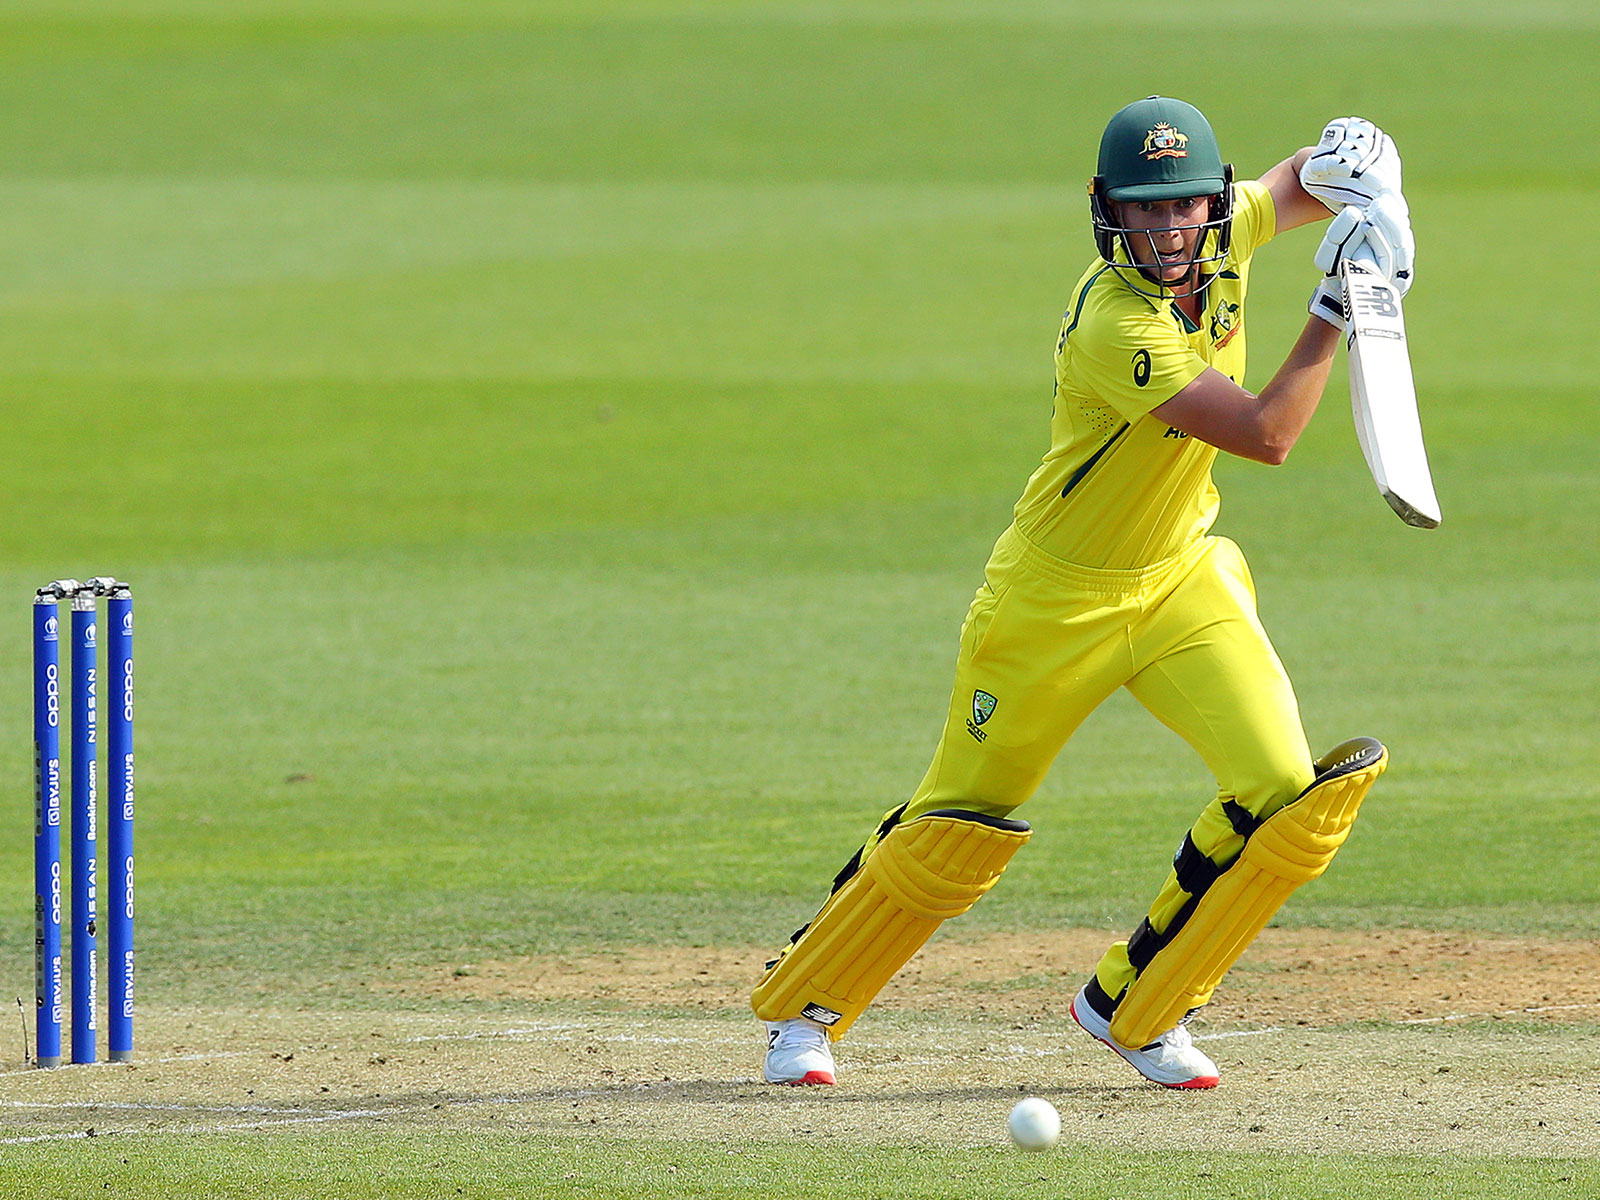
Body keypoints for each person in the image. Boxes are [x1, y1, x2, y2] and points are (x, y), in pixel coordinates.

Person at [751, 97, 1414, 1090]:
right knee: (958, 827)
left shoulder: (1215, 224)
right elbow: (1267, 435)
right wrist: (1337, 308)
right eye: (1143, 213)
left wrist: (1353, 168)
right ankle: (803, 1011)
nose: (1166, 230)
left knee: (1283, 799)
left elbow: (1288, 189)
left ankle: (1137, 1007)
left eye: (1183, 208)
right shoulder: (1117, 324)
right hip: (1050, 605)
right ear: (1108, 212)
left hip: (1180, 578)